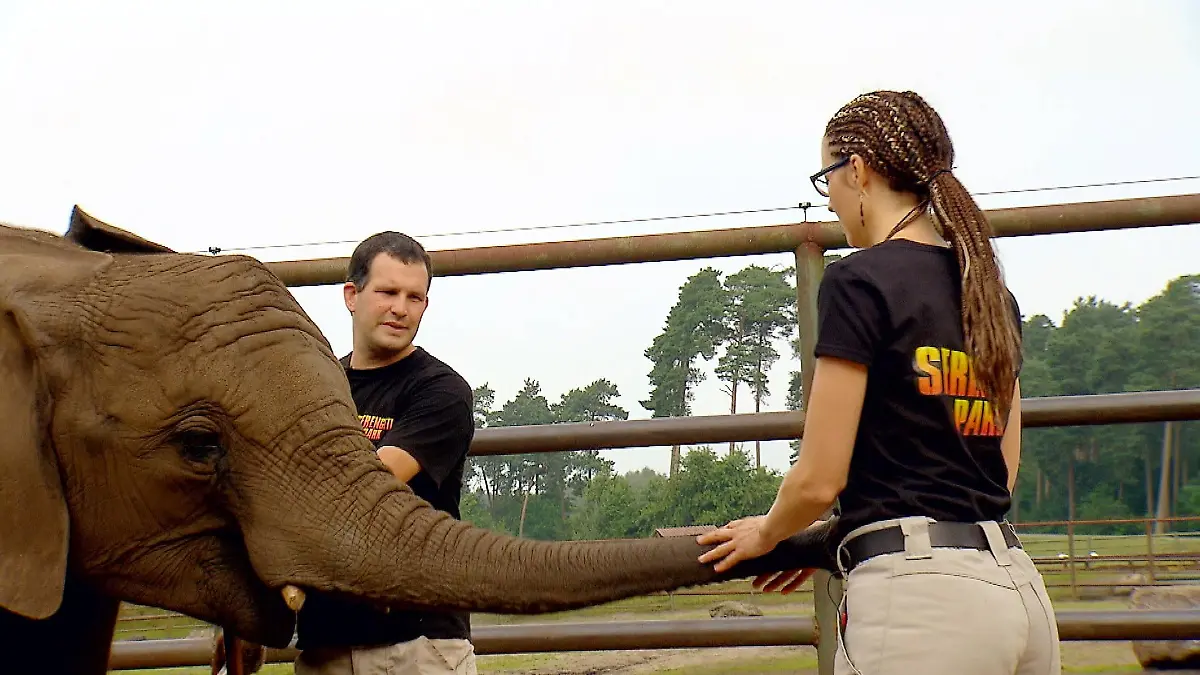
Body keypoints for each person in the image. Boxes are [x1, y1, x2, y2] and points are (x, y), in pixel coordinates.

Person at [697, 90, 1060, 674]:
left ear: (858, 172)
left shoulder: (859, 282)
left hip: (921, 605)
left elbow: (819, 480)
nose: (830, 198)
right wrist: (846, 534)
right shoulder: (991, 294)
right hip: (1017, 589)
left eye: (827, 178)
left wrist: (768, 534)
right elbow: (1000, 470)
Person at [294, 231, 478, 675]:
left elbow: (361, 488)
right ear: (351, 296)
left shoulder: (441, 391)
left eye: (414, 297)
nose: (400, 308)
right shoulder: (317, 388)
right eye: (388, 292)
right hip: (325, 646)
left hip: (417, 646)